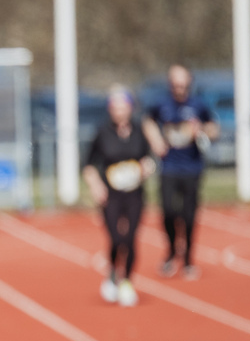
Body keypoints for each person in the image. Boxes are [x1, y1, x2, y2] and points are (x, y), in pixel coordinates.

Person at [142, 64, 219, 279]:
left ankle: (188, 259)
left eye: (183, 85)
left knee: (189, 214)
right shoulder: (161, 103)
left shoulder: (198, 105)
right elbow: (147, 121)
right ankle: (171, 250)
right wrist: (155, 140)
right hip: (169, 167)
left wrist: (201, 130)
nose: (179, 89)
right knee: (168, 211)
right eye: (175, 85)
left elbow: (214, 129)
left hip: (192, 168)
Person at [83, 86, 156, 307]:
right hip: (111, 195)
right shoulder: (102, 132)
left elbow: (149, 158)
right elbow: (88, 164)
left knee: (131, 238)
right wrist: (96, 186)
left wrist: (147, 167)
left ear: (130, 108)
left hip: (134, 194)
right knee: (116, 239)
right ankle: (114, 272)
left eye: (123, 107)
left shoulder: (139, 131)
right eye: (115, 108)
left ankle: (127, 282)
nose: (119, 112)